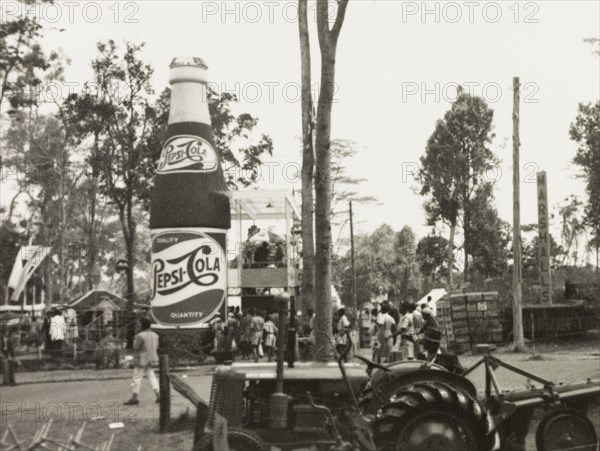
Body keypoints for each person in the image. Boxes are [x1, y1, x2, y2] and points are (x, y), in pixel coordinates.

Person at [124, 317, 159, 405]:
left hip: (141, 359)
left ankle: (134, 398)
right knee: (152, 377)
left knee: (137, 378)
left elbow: (136, 347)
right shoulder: (155, 335)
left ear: (143, 325)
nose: (138, 326)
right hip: (152, 358)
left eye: (139, 324)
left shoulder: (140, 335)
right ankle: (159, 395)